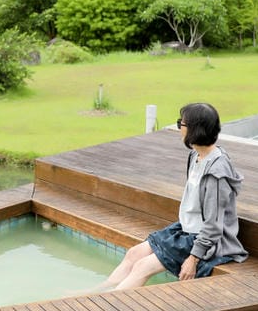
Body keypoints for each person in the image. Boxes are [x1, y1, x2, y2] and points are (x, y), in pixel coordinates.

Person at [92, 102, 247, 291]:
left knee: (142, 267)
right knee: (134, 254)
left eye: (181, 124)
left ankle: (108, 304)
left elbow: (213, 227)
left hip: (206, 239)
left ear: (194, 130)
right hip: (186, 229)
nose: (179, 128)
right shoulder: (195, 156)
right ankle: (95, 292)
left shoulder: (216, 173)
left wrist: (192, 259)